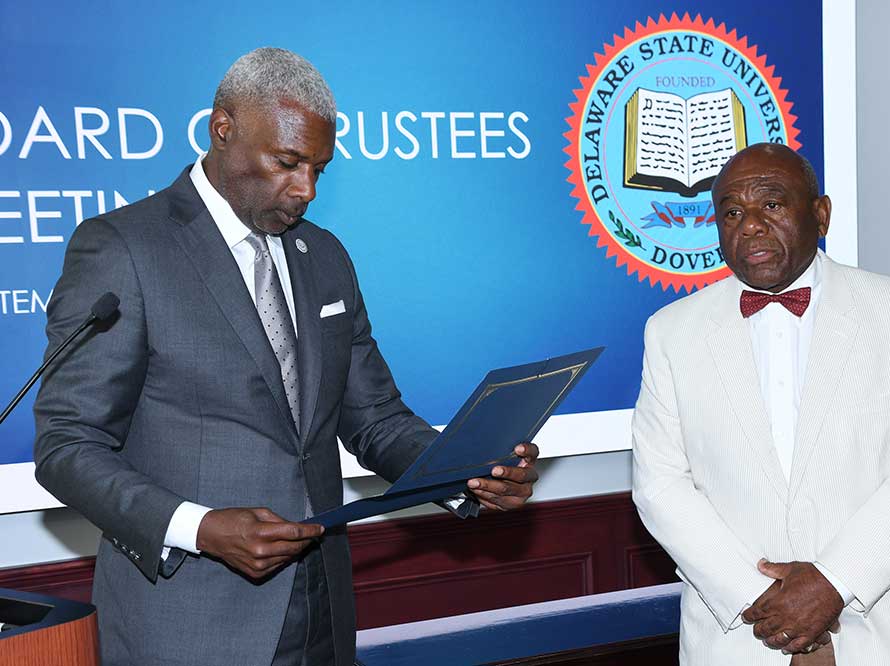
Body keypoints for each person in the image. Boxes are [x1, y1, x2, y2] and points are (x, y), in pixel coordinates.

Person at [33, 47, 539, 666]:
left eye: (319, 170)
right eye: (288, 162)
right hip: (189, 626)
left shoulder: (324, 256)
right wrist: (199, 527)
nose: (305, 190)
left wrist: (465, 474)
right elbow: (66, 446)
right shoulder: (123, 248)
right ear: (224, 128)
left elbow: (374, 417)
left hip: (323, 609)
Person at [631, 143, 890, 665]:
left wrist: (832, 582)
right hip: (740, 635)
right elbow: (660, 484)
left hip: (885, 629)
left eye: (772, 204)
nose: (751, 226)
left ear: (821, 213)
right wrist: (757, 596)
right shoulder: (672, 331)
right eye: (733, 212)